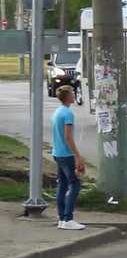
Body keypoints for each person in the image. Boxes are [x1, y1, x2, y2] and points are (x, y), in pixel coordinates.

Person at [51, 85, 86, 230]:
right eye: (72, 93)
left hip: (57, 153)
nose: (74, 95)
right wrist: (78, 157)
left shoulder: (57, 112)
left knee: (63, 185)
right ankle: (68, 218)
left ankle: (62, 218)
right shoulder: (68, 114)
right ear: (69, 97)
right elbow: (68, 136)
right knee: (75, 185)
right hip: (66, 154)